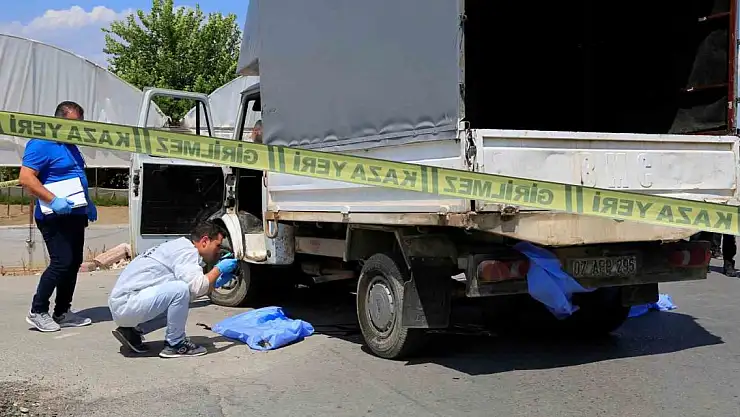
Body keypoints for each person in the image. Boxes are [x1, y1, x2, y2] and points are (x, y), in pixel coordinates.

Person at [107, 221, 238, 358]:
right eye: (217, 245)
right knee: (180, 290)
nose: (218, 251)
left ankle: (131, 332)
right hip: (128, 303)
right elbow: (195, 287)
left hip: (124, 304)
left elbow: (192, 292)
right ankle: (175, 344)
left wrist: (215, 283)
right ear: (205, 241)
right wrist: (218, 269)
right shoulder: (187, 252)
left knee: (181, 298)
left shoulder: (179, 247)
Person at [19, 101, 97, 332]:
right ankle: (38, 311)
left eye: (79, 125)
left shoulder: (71, 146)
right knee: (61, 262)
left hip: (75, 214)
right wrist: (53, 200)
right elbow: (26, 178)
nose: (75, 130)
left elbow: (76, 175)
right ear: (57, 121)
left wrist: (89, 203)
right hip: (53, 215)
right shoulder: (41, 143)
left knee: (73, 263)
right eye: (72, 125)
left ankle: (62, 311)